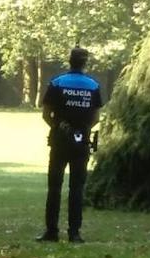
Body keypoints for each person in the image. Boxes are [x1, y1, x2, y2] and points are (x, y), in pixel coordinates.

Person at [37, 47, 103, 244]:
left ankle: (51, 231)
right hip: (81, 141)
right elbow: (96, 117)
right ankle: (74, 233)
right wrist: (81, 130)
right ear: (85, 63)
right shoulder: (93, 85)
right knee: (77, 188)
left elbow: (46, 114)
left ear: (69, 61)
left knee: (55, 187)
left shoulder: (57, 83)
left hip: (59, 141)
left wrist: (58, 127)